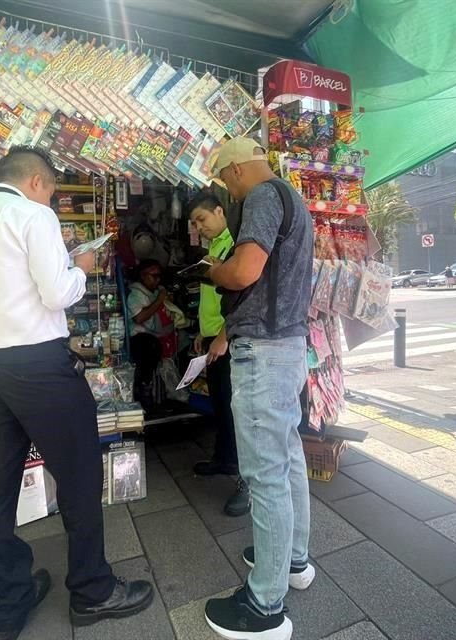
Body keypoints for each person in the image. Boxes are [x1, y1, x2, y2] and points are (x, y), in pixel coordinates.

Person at [0, 147, 153, 640]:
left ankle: (9, 597)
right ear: (37, 181)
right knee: (79, 474)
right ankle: (93, 590)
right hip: (39, 365)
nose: (52, 199)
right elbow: (58, 294)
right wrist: (82, 266)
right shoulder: (34, 216)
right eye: (53, 190)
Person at [203, 137, 316, 640]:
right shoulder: (294, 198)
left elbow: (246, 270)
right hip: (288, 345)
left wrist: (213, 271)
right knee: (288, 459)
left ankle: (264, 605)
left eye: (224, 182)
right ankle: (293, 560)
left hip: (263, 353)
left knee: (266, 476)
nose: (228, 192)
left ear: (235, 171)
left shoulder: (263, 197)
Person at [188, 191, 250, 518]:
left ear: (219, 211)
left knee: (238, 411)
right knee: (222, 406)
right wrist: (204, 332)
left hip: (230, 340)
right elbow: (212, 300)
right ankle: (225, 459)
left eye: (202, 219)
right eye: (195, 223)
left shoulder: (236, 244)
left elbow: (242, 298)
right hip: (213, 336)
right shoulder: (213, 248)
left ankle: (246, 480)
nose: (199, 227)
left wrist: (223, 337)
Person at [126, 259, 177, 406]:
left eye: (159, 276)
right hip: (140, 338)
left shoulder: (156, 291)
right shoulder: (135, 294)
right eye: (154, 276)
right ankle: (144, 387)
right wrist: (159, 300)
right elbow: (139, 318)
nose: (157, 279)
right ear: (143, 275)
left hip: (158, 333)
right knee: (150, 346)